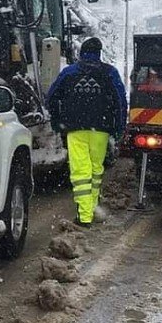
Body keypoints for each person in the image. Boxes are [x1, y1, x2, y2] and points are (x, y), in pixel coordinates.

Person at [45, 37, 128, 227]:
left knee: (80, 172)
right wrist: (119, 128)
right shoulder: (110, 73)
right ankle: (92, 204)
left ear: (82, 52)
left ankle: (84, 216)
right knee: (96, 170)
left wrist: (58, 122)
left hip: (75, 129)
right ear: (99, 53)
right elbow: (120, 101)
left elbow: (51, 98)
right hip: (101, 129)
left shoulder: (69, 72)